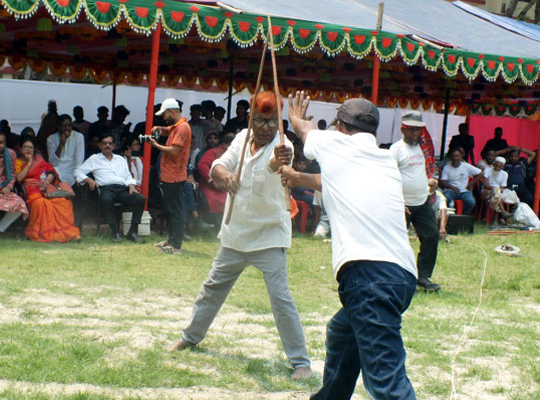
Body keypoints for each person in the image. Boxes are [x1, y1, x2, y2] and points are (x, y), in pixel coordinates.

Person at [281, 93, 418, 399]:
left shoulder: (336, 144)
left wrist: (296, 119)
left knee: (387, 384)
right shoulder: (383, 159)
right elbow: (330, 181)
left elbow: (306, 132)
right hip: (401, 276)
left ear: (340, 127)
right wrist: (294, 177)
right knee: (342, 333)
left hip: (369, 276)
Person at [168, 91, 314, 380]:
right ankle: (190, 337)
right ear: (250, 118)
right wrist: (223, 176)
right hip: (236, 233)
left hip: (269, 235)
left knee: (280, 298)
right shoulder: (242, 137)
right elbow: (219, 164)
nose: (264, 129)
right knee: (212, 287)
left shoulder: (284, 147)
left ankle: (301, 362)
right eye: (259, 121)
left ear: (279, 122)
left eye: (271, 122)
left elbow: (270, 170)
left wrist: (276, 161)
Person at [390, 111, 441, 292]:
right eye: (411, 130)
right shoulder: (396, 149)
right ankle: (396, 278)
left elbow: (431, 168)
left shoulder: (424, 147)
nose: (414, 134)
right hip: (401, 204)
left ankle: (423, 276)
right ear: (403, 129)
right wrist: (398, 201)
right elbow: (389, 177)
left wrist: (433, 179)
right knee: (398, 243)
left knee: (431, 236)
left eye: (417, 130)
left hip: (422, 202)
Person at [74, 134, 145, 243]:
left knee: (140, 199)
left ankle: (132, 232)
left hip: (122, 189)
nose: (107, 145)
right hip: (106, 188)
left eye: (110, 143)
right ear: (99, 145)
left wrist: (131, 185)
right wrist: (89, 180)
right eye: (104, 143)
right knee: (106, 200)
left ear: (114, 146)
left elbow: (127, 176)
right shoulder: (94, 159)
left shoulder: (120, 159)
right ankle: (115, 232)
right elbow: (78, 171)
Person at [16, 137, 81, 243]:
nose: (28, 150)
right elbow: (19, 178)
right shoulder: (17, 162)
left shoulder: (39, 160)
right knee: (41, 204)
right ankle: (48, 234)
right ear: (20, 149)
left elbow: (51, 171)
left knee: (63, 202)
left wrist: (46, 181)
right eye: (25, 147)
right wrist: (28, 163)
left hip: (45, 188)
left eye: (31, 147)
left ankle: (69, 233)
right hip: (30, 189)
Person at [149, 98, 191, 254]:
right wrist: (160, 128)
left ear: (172, 111)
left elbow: (174, 150)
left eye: (165, 113)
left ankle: (176, 245)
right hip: (170, 175)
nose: (163, 117)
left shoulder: (182, 128)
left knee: (176, 210)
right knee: (171, 209)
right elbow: (169, 129)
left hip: (175, 175)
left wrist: (156, 145)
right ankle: (171, 240)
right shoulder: (177, 126)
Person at [196, 133, 233, 226]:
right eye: (229, 144)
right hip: (210, 187)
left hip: (227, 187)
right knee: (214, 200)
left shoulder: (235, 155)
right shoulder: (214, 152)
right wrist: (212, 180)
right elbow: (202, 165)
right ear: (222, 144)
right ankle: (215, 227)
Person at [440, 148, 483, 215]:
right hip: (450, 191)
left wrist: (472, 183)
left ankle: (461, 216)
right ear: (450, 157)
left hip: (464, 191)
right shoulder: (447, 167)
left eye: (457, 156)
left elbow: (480, 173)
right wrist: (453, 187)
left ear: (461, 157)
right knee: (446, 199)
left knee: (471, 202)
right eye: (453, 156)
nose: (455, 158)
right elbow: (443, 181)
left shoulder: (466, 166)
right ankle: (448, 215)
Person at [47, 114, 84, 187]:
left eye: (69, 125)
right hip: (58, 168)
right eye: (64, 126)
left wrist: (78, 174)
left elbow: (79, 159)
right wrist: (61, 144)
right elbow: (52, 162)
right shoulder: (51, 139)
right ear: (58, 127)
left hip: (73, 168)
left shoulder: (78, 136)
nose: (67, 128)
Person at [482, 156, 512, 223]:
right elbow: (485, 185)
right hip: (487, 192)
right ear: (493, 164)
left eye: (499, 167)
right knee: (498, 194)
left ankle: (496, 219)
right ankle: (501, 214)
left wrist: (497, 190)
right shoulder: (487, 170)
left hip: (497, 194)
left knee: (497, 196)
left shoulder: (505, 174)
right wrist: (495, 189)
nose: (497, 168)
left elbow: (503, 187)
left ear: (503, 167)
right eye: (496, 166)